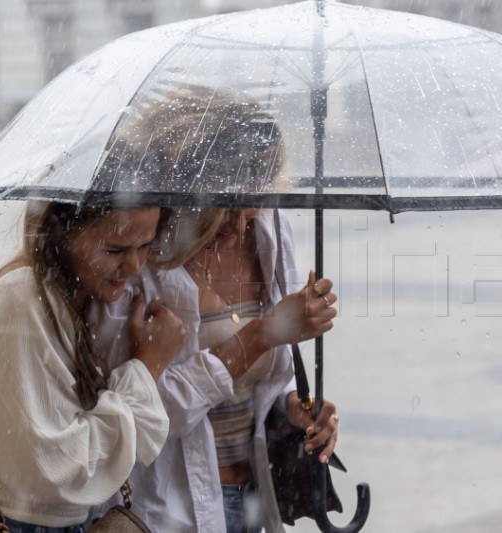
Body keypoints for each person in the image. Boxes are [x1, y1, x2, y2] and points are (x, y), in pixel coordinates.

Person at [87, 85, 340, 532]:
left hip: (257, 501)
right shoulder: (140, 264)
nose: (241, 222)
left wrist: (294, 410)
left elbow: (264, 385)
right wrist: (259, 334)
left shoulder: (270, 233)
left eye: (254, 202)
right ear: (184, 192)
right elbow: (135, 420)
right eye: (223, 207)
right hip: (168, 511)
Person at [0, 201, 186, 533]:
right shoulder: (22, 298)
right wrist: (147, 367)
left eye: (145, 245)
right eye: (115, 249)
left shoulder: (76, 295)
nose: (135, 266)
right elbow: (57, 467)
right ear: (59, 231)